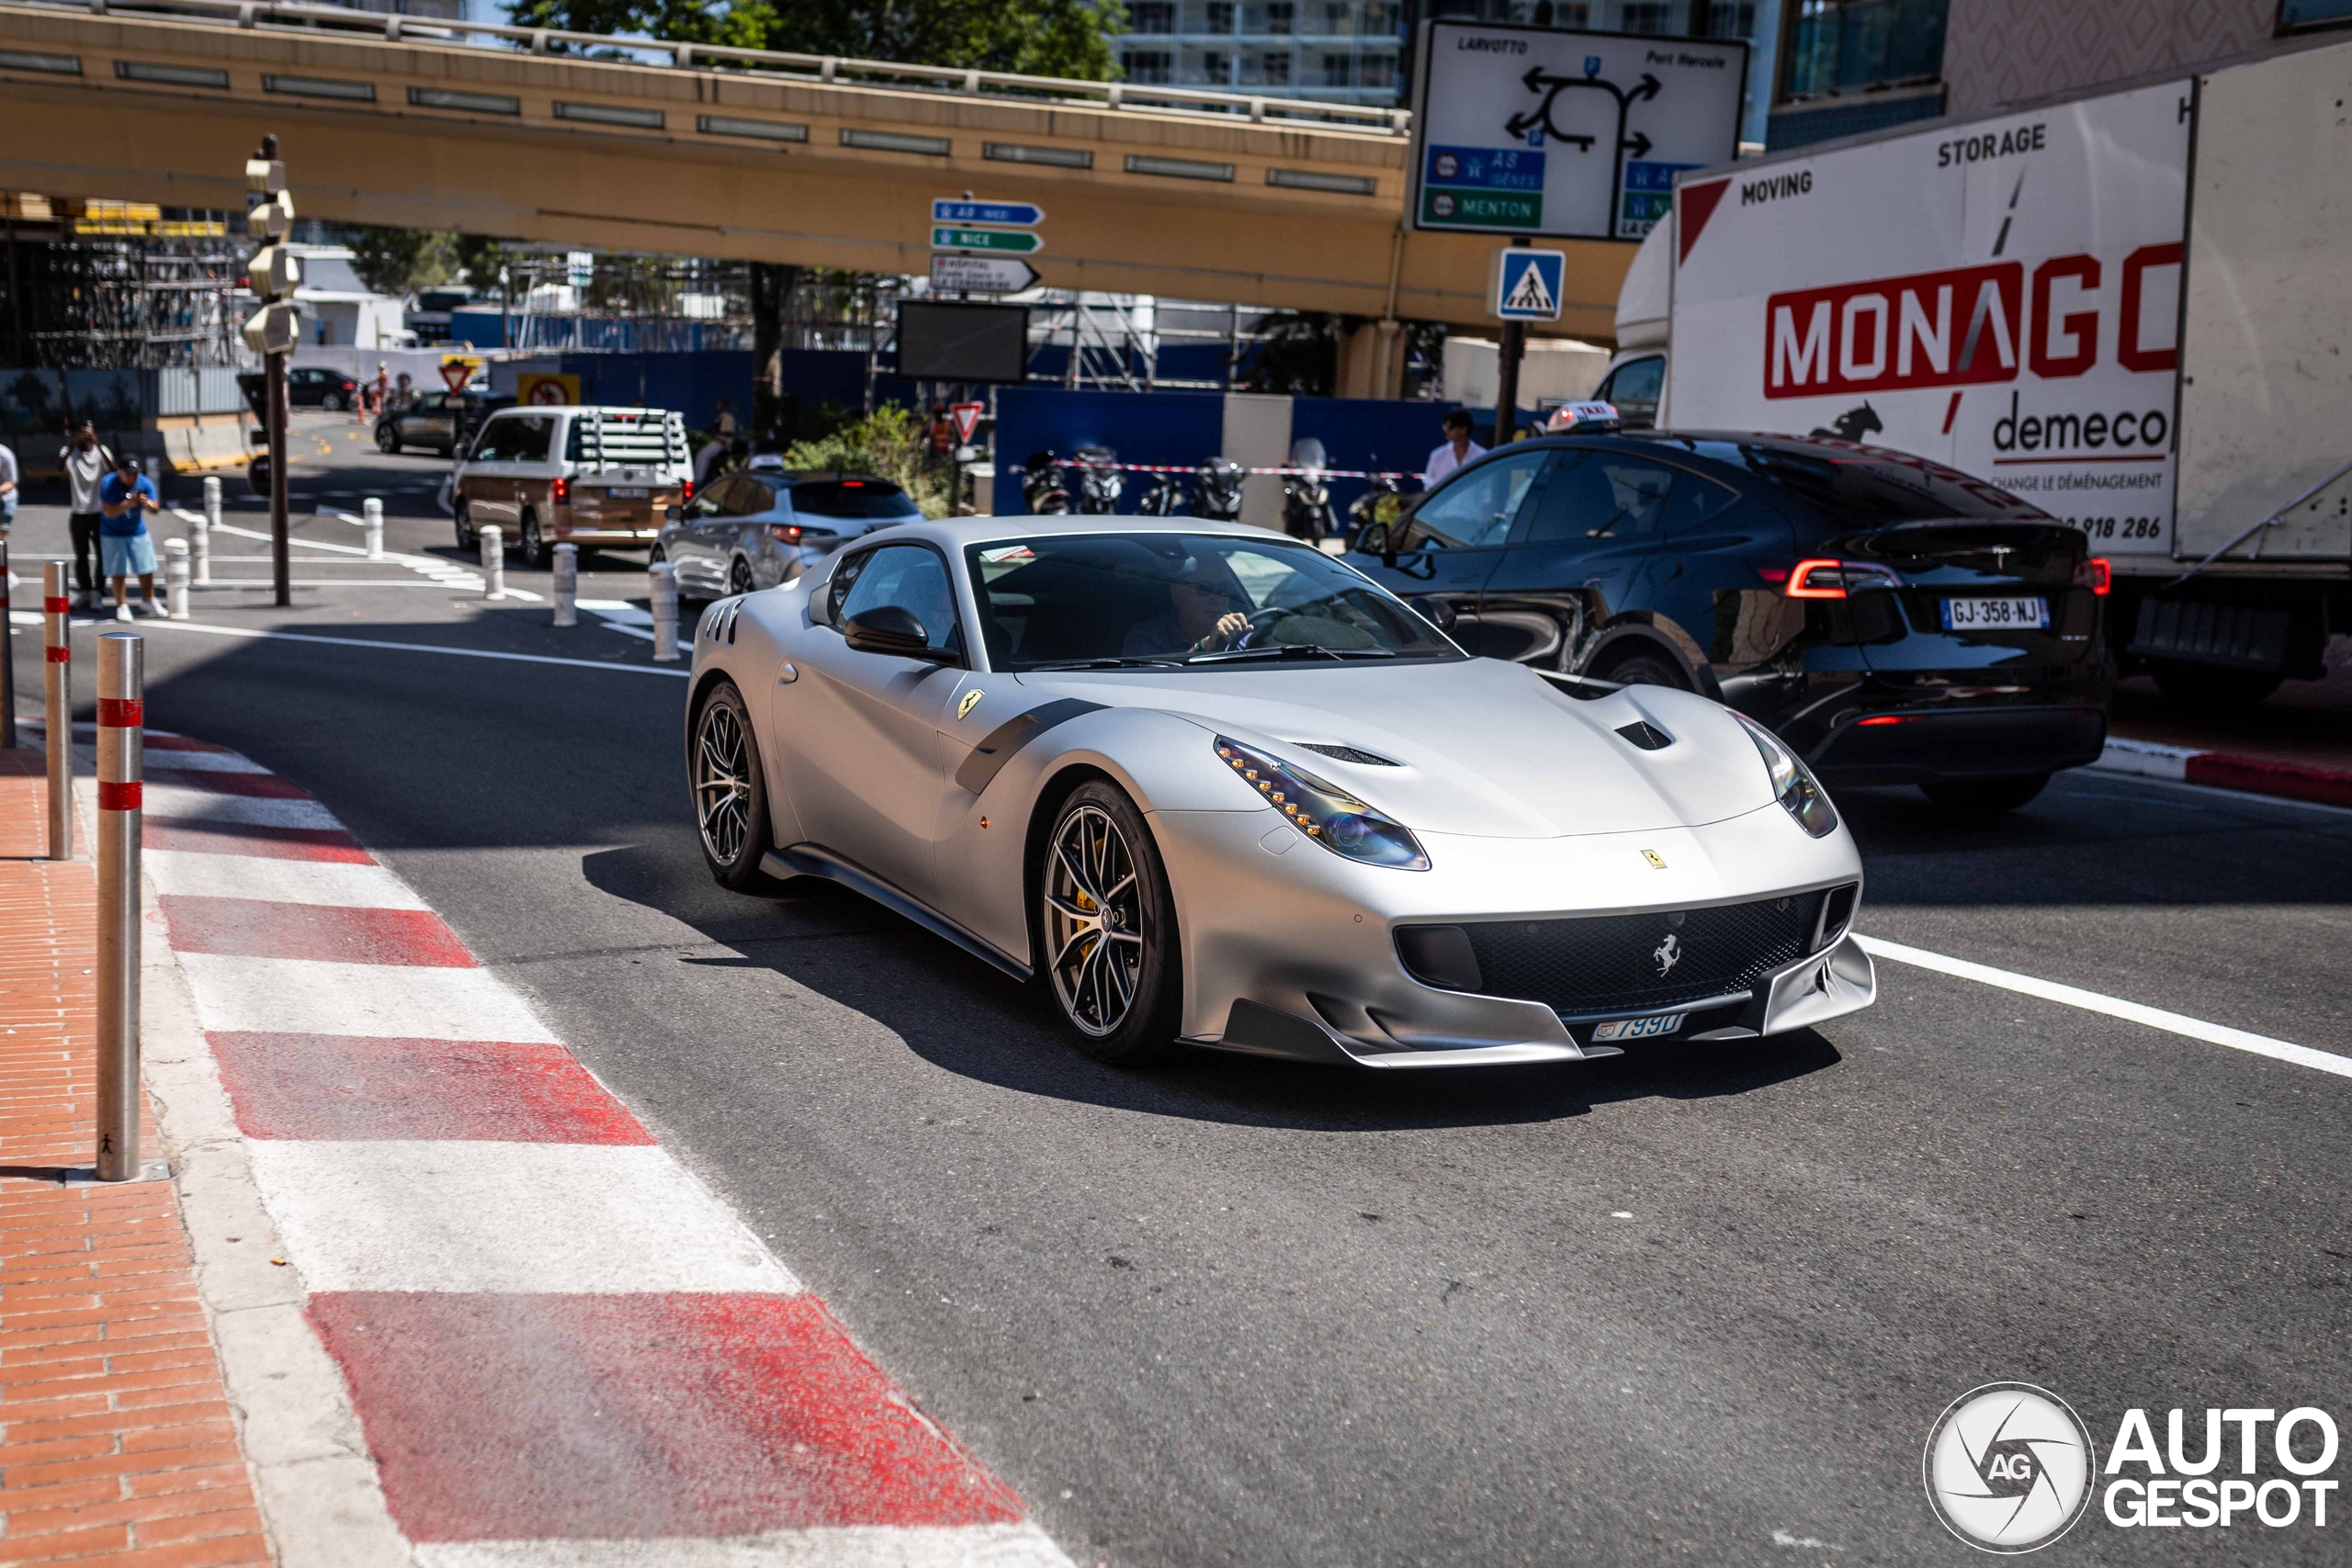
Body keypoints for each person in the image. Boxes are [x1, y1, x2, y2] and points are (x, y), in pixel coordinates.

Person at [1122, 555, 1252, 658]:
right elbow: (1153, 685)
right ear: (1176, 594)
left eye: (1225, 588)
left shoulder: (1244, 631)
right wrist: (1205, 646)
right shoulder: (1147, 638)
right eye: (1205, 588)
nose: (1217, 598)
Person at [97, 453, 161, 620]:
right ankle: (122, 605)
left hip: (136, 530)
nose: (132, 477)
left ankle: (149, 599)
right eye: (128, 473)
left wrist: (147, 504)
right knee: (118, 570)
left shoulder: (144, 482)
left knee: (146, 567)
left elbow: (156, 509)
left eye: (135, 473)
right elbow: (109, 512)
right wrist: (129, 502)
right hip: (112, 532)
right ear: (119, 471)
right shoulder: (108, 483)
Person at [60, 423, 113, 610]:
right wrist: (73, 445)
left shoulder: (102, 451)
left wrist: (97, 445)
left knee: (102, 554)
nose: (85, 437)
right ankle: (85, 591)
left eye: (88, 433)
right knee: (81, 555)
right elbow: (59, 469)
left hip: (99, 512)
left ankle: (98, 591)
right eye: (80, 433)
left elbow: (114, 471)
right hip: (78, 512)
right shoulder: (69, 451)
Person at [1423, 409, 1485, 486]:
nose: (1446, 431)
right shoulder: (1437, 456)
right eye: (1444, 427)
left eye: (1450, 428)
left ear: (1463, 430)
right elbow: (1429, 484)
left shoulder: (1481, 456)